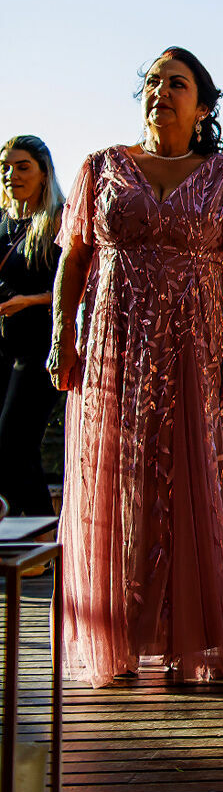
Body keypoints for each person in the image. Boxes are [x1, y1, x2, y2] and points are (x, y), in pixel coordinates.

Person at [49, 47, 223, 687]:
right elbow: (74, 258)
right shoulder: (101, 167)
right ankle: (121, 633)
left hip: (196, 348)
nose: (162, 91)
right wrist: (63, 334)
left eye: (177, 83)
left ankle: (196, 634)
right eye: (153, 81)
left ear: (202, 107)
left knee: (198, 479)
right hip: (116, 348)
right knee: (118, 480)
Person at [0, 136, 64, 517]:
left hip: (40, 350)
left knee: (14, 444)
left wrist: (28, 301)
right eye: (5, 167)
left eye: (23, 167)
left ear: (44, 173)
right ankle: (27, 533)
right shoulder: (2, 222)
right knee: (10, 451)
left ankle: (41, 535)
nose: (12, 175)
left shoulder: (58, 219)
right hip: (3, 348)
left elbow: (78, 286)